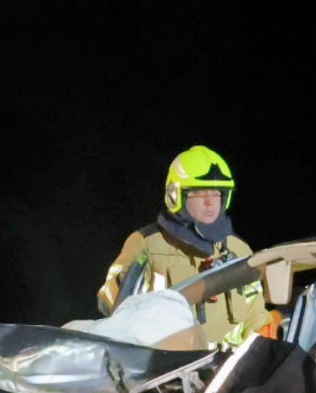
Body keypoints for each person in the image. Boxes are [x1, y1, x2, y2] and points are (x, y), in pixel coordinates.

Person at [97, 145, 269, 349]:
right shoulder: (148, 244)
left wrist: (265, 340)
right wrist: (125, 286)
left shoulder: (239, 250)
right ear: (175, 195)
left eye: (216, 193)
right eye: (199, 193)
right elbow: (112, 304)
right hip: (168, 363)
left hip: (228, 364)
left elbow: (255, 314)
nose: (209, 202)